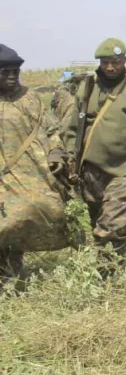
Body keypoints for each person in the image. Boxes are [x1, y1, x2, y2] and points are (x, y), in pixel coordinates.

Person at [62, 38, 126, 277]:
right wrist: (68, 161)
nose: (110, 67)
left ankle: (108, 275)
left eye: (115, 62)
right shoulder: (86, 90)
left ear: (124, 61)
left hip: (124, 169)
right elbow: (73, 129)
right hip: (91, 170)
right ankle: (112, 262)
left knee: (112, 225)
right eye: (105, 62)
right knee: (99, 223)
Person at [0, 45, 68, 289]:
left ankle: (11, 280)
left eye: (15, 71)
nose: (11, 76)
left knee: (16, 225)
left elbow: (52, 130)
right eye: (4, 72)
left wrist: (57, 153)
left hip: (28, 178)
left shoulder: (31, 99)